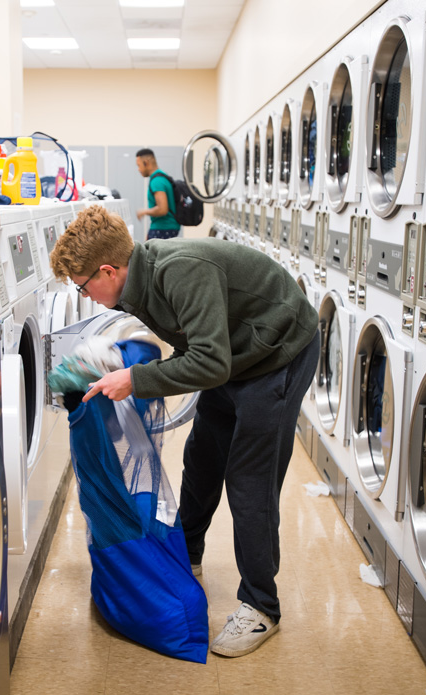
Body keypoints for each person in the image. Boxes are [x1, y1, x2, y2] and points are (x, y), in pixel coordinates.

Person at [49, 205, 320, 658]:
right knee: (202, 458)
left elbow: (210, 362)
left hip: (277, 353)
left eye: (84, 285)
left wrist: (134, 380)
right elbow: (196, 347)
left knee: (249, 480)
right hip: (235, 356)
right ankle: (186, 556)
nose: (86, 295)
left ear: (109, 270)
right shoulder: (138, 283)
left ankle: (261, 608)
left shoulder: (181, 271)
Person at [135, 148, 181, 240]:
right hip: (166, 227)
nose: (138, 169)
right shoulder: (162, 176)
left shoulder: (157, 181)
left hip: (163, 228)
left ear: (146, 162)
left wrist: (144, 212)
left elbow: (162, 209)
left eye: (139, 165)